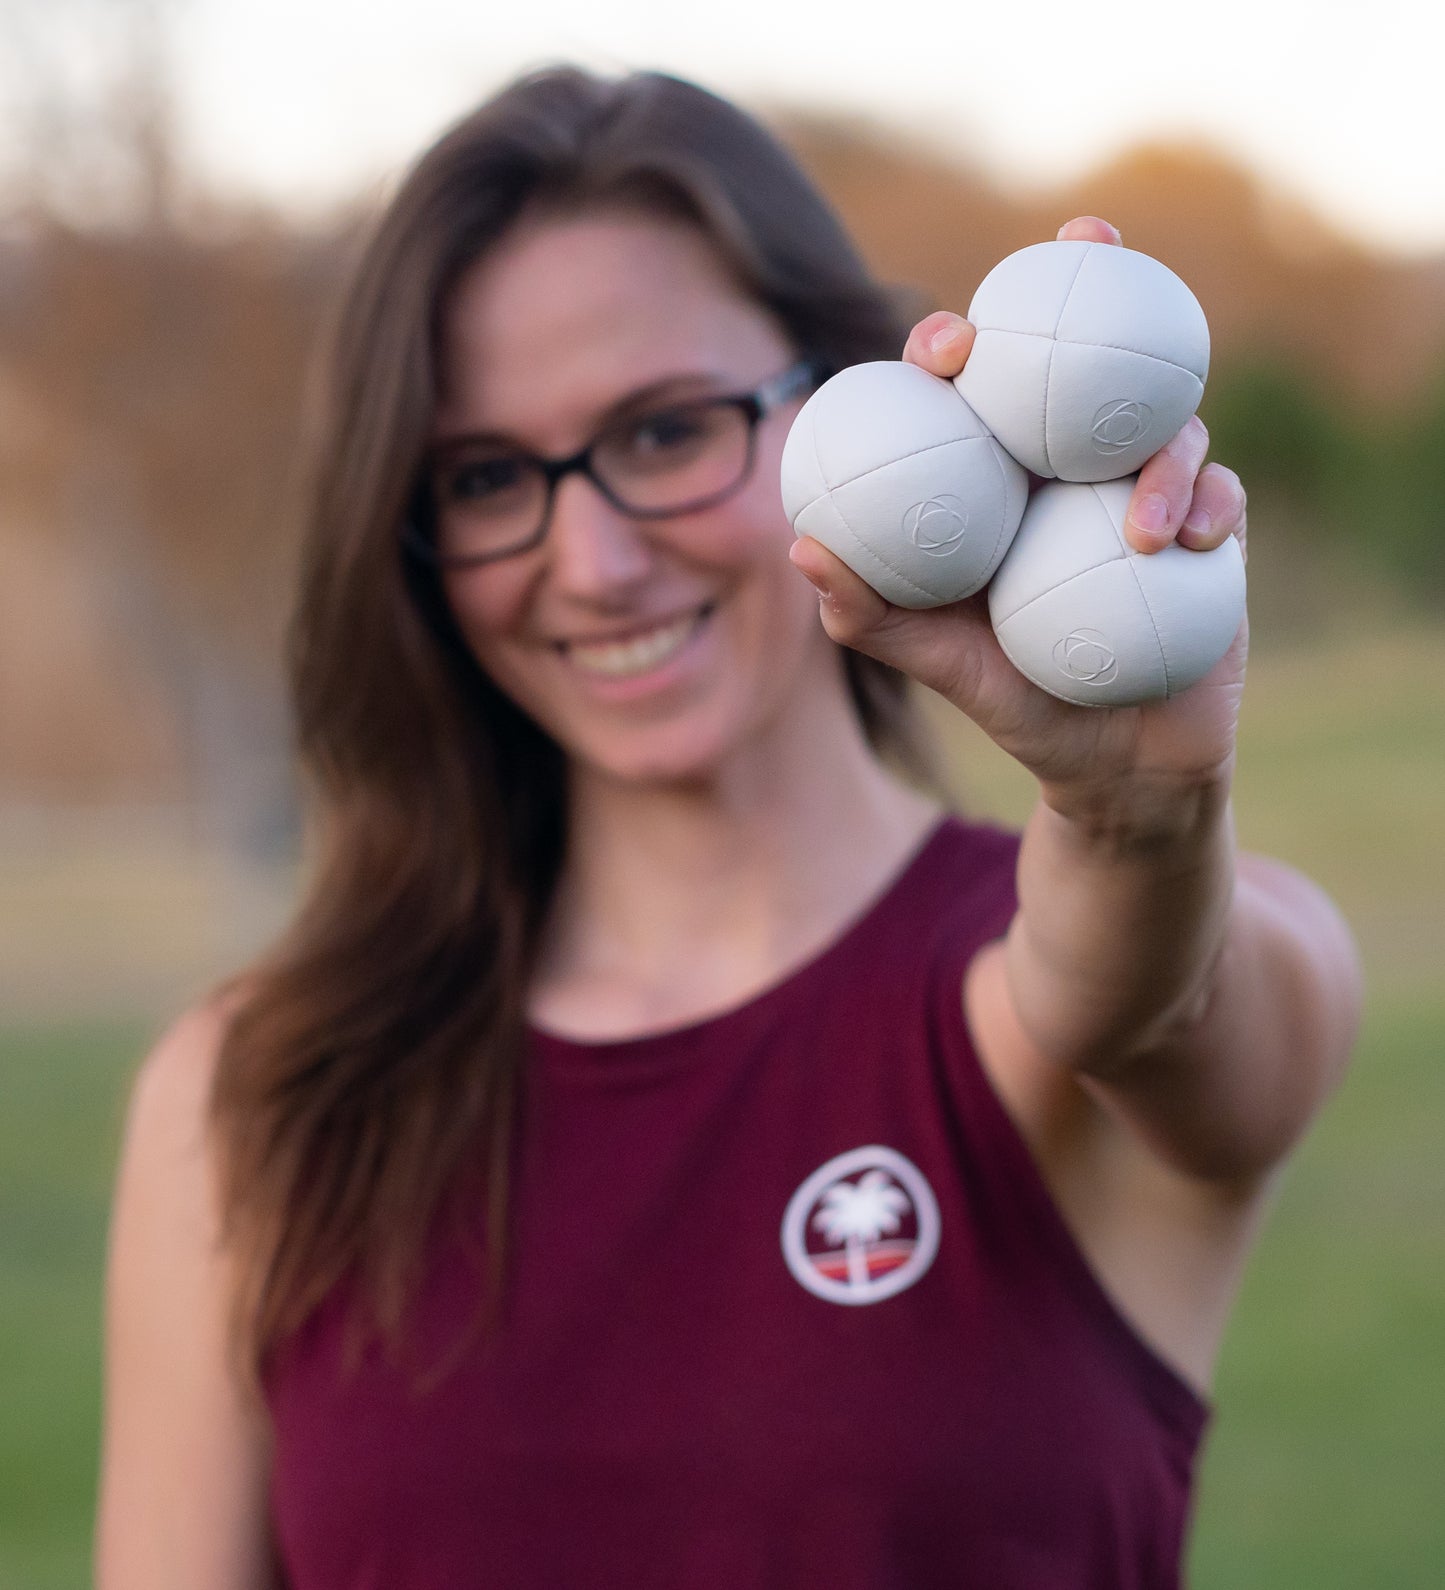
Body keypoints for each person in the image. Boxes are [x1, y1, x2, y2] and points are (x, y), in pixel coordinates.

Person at [95, 66, 1362, 1589]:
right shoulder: (249, 1100)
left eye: (663, 431)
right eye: (487, 476)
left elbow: (1158, 993)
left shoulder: (1043, 1000)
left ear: (851, 400)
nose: (592, 558)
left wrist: (1135, 818)